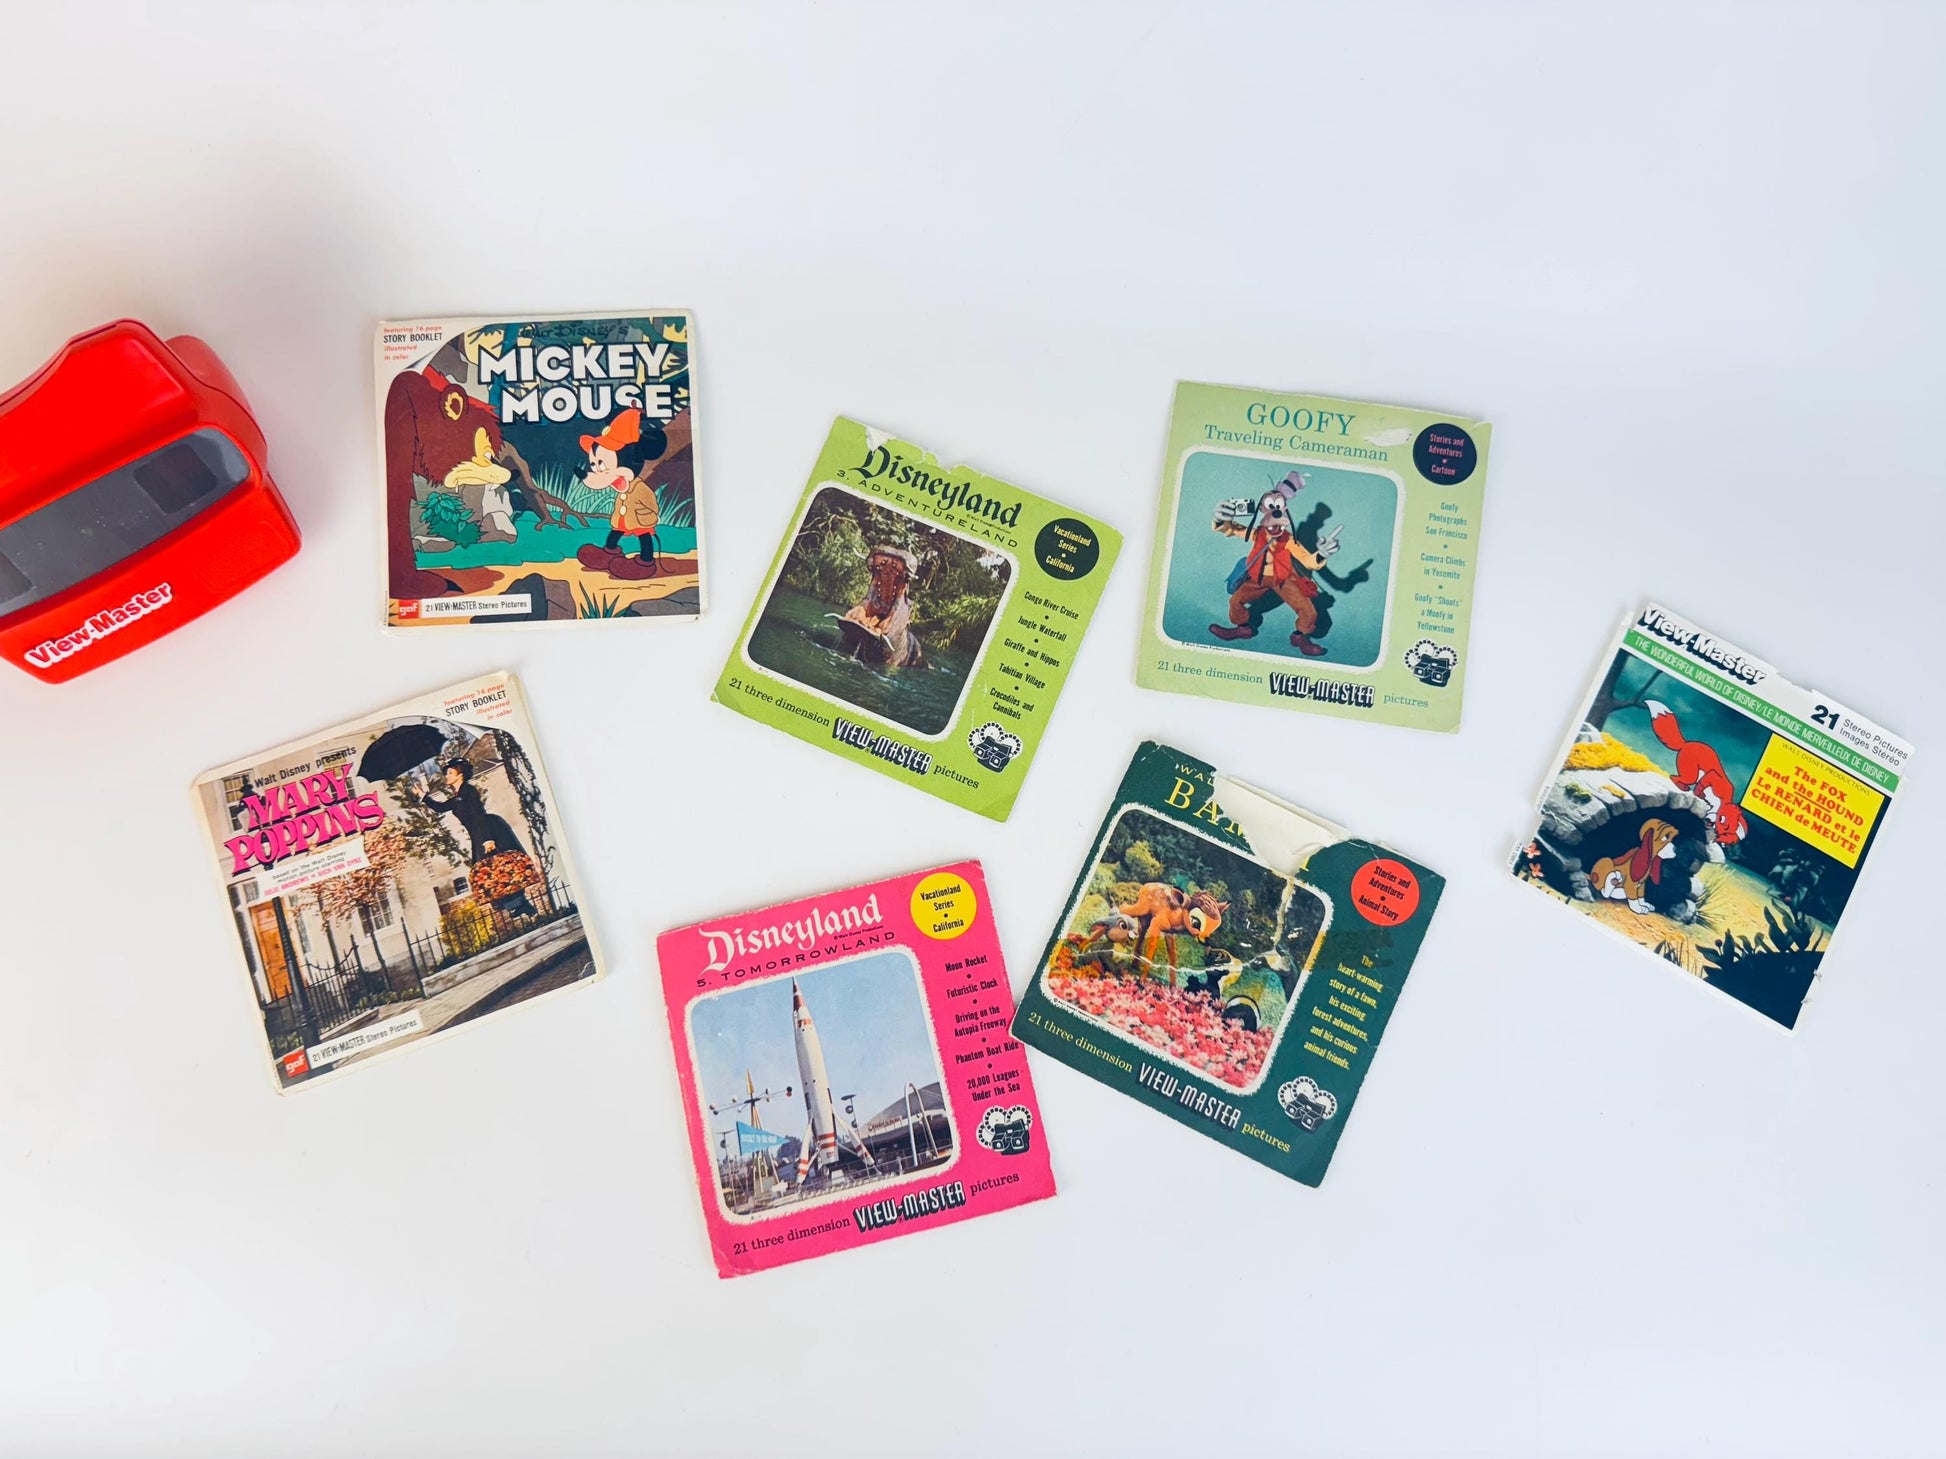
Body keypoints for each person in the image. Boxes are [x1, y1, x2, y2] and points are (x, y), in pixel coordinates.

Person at [420, 761, 539, 920]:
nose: (446, 776)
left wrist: (488, 839)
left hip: (489, 830)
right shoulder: (458, 796)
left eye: (450, 773)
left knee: (500, 867)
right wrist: (423, 797)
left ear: (460, 775)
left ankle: (520, 904)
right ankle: (519, 905)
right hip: (478, 834)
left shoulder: (468, 791)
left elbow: (479, 815)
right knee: (491, 871)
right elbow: (441, 808)